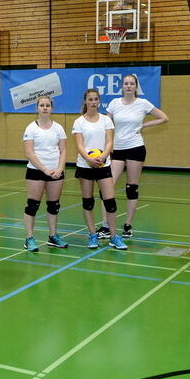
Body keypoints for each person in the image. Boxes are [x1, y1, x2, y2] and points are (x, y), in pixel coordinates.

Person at [97, 74, 168, 239]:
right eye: (126, 83)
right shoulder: (114, 103)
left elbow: (164, 118)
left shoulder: (143, 103)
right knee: (107, 186)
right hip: (118, 150)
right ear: (122, 86)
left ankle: (128, 225)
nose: (128, 86)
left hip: (136, 148)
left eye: (131, 84)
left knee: (132, 187)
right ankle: (106, 225)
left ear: (136, 87)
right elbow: (107, 125)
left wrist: (144, 125)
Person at [73, 88, 126, 251]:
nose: (93, 102)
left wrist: (103, 156)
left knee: (110, 202)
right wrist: (89, 159)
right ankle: (92, 235)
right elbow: (79, 145)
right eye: (90, 99)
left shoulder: (106, 120)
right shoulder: (79, 122)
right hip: (85, 165)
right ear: (85, 101)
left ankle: (113, 236)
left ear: (99, 101)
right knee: (88, 202)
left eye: (96, 99)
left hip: (104, 165)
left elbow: (109, 141)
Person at [22, 94, 68, 251]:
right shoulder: (31, 128)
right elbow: (29, 153)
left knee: (53, 206)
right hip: (36, 171)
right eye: (42, 105)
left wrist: (59, 169)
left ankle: (53, 236)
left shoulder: (59, 128)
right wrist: (45, 169)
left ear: (52, 108)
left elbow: (63, 150)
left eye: (48, 105)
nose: (45, 108)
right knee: (32, 206)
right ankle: (29, 238)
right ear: (37, 108)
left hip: (56, 172)